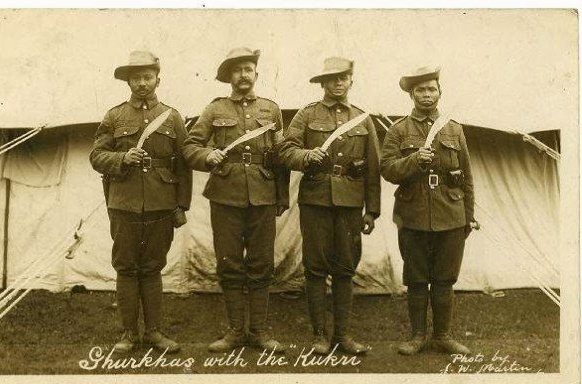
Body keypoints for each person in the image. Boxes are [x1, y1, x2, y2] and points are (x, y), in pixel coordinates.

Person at [182, 47, 289, 353]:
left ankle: (258, 332)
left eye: (248, 69)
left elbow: (281, 155)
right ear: (229, 76)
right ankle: (235, 331)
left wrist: (281, 196)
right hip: (225, 196)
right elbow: (190, 146)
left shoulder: (271, 110)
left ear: (256, 74)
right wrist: (207, 155)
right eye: (237, 70)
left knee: (261, 263)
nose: (243, 75)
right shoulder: (214, 110)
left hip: (263, 195)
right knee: (229, 263)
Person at [89, 50, 192, 353]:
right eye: (136, 78)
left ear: (158, 79)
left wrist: (181, 205)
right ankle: (128, 333)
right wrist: (123, 158)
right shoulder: (114, 116)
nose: (142, 83)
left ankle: (154, 333)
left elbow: (183, 165)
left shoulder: (172, 117)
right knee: (126, 268)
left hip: (161, 204)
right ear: (128, 82)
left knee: (152, 267)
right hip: (124, 204)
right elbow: (96, 156)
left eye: (148, 77)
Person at [278, 57, 381, 355]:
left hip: (350, 202)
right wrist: (305, 156)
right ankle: (320, 336)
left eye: (343, 77)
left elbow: (373, 167)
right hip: (316, 200)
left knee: (345, 268)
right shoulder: (307, 114)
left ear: (351, 81)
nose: (338, 82)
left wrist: (372, 211)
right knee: (315, 268)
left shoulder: (362, 119)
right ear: (322, 82)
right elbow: (285, 150)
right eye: (332, 78)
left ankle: (343, 335)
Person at [379, 66, 476, 355]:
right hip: (413, 214)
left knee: (445, 278)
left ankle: (442, 336)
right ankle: (418, 336)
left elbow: (467, 176)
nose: (426, 94)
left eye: (431, 89)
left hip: (451, 213)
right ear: (411, 95)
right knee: (417, 278)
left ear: (439, 92)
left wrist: (468, 216)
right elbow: (387, 169)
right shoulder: (398, 130)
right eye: (420, 90)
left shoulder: (454, 129)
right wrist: (414, 161)